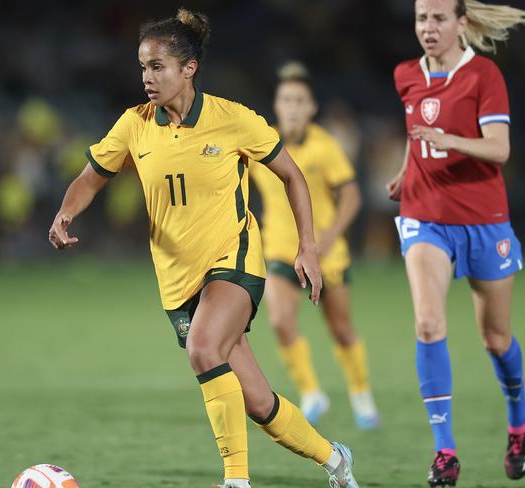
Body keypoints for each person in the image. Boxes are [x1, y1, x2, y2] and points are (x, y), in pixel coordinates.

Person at [48, 8, 358, 488]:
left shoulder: (232, 119)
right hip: (177, 280)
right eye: (142, 67)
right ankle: (334, 458)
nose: (147, 78)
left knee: (203, 347)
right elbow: (91, 178)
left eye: (157, 67)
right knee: (257, 401)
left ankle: (236, 480)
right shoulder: (134, 124)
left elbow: (293, 176)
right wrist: (66, 213)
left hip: (233, 260)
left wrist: (308, 247)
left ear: (188, 68)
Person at [387, 0, 525, 485]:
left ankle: (518, 424)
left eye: (439, 18)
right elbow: (414, 132)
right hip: (425, 217)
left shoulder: (484, 75)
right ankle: (445, 451)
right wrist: (407, 171)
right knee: (428, 323)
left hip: (485, 221)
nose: (428, 27)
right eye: (422, 18)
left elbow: (500, 148)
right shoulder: (406, 73)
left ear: (461, 23)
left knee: (496, 338)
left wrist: (452, 141)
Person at [250, 62, 379, 429]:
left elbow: (351, 194)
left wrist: (332, 234)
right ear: (276, 105)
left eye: (299, 100)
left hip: (325, 253)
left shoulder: (325, 146)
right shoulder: (262, 143)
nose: (292, 106)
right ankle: (311, 392)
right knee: (279, 321)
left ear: (311, 108)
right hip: (279, 250)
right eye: (286, 99)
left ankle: (361, 394)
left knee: (340, 328)